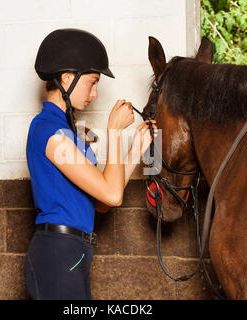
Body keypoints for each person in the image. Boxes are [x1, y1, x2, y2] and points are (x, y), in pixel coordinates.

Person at [24, 28, 158, 300]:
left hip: (74, 253)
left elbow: (103, 201)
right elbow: (112, 194)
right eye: (92, 82)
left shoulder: (69, 133)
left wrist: (134, 151)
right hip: (58, 253)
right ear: (67, 78)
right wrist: (114, 132)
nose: (95, 94)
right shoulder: (51, 133)